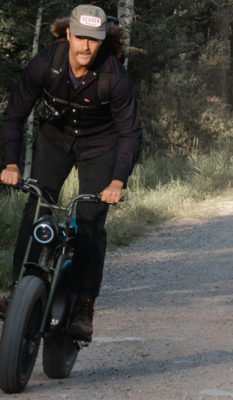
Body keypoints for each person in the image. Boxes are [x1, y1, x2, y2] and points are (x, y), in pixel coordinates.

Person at [0, 5, 142, 342]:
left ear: (101, 40)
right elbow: (14, 115)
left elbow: (130, 134)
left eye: (93, 40)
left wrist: (117, 181)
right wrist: (11, 164)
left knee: (91, 223)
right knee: (37, 209)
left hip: (100, 147)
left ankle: (83, 305)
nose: (85, 47)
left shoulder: (114, 76)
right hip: (55, 141)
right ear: (68, 34)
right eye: (79, 37)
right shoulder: (45, 63)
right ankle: (19, 289)